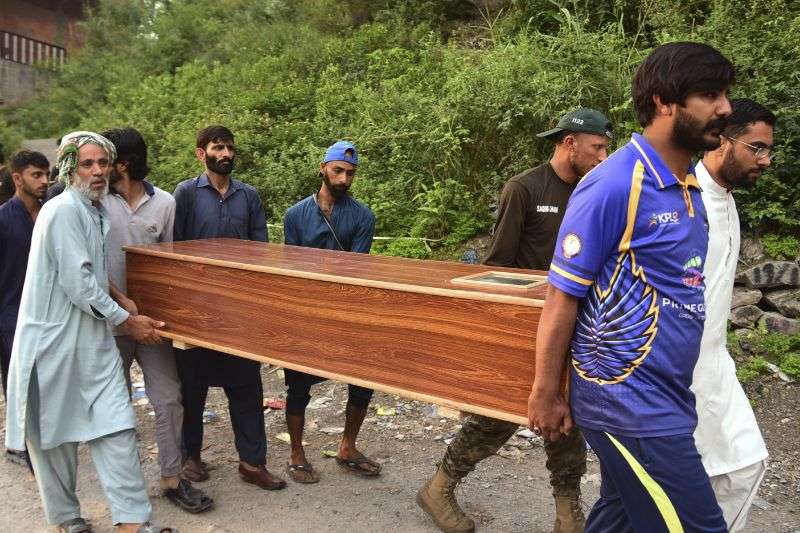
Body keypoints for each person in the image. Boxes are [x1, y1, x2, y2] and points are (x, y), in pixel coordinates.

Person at [527, 42, 735, 532]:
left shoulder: (687, 185)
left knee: (619, 519)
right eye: (709, 94)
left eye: (725, 94)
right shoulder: (614, 184)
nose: (725, 108)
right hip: (630, 408)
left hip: (667, 398)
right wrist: (546, 392)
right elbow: (561, 296)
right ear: (665, 102)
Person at [417, 108, 612, 533]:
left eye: (606, 149)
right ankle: (439, 486)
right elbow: (496, 264)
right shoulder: (524, 188)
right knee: (500, 415)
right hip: (523, 325)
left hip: (574, 323)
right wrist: (487, 335)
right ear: (569, 143)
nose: (602, 157)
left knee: (567, 417)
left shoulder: (595, 190)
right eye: (597, 147)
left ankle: (567, 513)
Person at [4, 131, 175, 533]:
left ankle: (132, 521)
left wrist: (120, 296)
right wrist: (128, 321)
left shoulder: (94, 210)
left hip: (91, 342)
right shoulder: (63, 210)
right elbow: (78, 284)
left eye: (103, 163)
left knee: (116, 426)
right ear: (69, 168)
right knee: (55, 440)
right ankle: (66, 520)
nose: (98, 171)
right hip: (54, 345)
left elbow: (92, 272)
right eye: (87, 164)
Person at [101, 127, 213, 513]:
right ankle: (123, 488)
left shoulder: (164, 202)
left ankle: (171, 478)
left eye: (106, 158)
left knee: (168, 399)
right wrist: (120, 305)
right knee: (112, 406)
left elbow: (167, 267)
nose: (99, 166)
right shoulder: (94, 202)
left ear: (123, 163)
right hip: (107, 322)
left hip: (152, 326)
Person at [173, 125, 286, 491]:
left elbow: (260, 252)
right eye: (217, 147)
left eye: (229, 148)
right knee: (192, 387)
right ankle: (191, 457)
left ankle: (252, 464)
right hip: (196, 308)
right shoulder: (186, 194)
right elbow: (176, 250)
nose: (225, 153)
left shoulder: (248, 196)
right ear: (200, 153)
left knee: (247, 387)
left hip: (238, 310)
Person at [692, 98, 774, 531]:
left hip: (715, 365)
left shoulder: (728, 200)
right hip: (676, 375)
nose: (766, 160)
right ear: (723, 141)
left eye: (767, 151)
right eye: (756, 148)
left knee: (744, 465)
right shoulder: (683, 202)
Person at [281, 140, 380, 484]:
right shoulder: (296, 215)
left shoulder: (363, 216)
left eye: (350, 173)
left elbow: (355, 270)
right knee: (297, 385)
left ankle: (347, 447)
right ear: (323, 168)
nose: (344, 179)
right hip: (305, 313)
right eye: (338, 170)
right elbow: (291, 268)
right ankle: (296, 453)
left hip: (347, 311)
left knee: (364, 381)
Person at [0, 150, 49, 466]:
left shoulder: (50, 215)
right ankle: (23, 450)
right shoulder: (3, 219)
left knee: (45, 384)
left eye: (47, 174)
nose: (45, 181)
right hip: (10, 316)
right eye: (36, 175)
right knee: (18, 382)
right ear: (17, 178)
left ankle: (41, 442)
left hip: (46, 315)